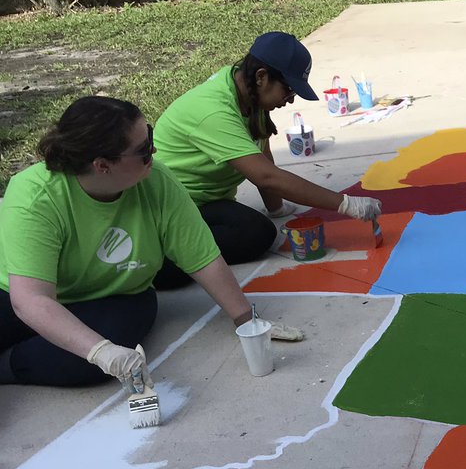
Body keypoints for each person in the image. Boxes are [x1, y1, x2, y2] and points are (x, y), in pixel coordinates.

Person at [0, 96, 287, 387]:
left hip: (117, 295)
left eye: (149, 137)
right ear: (102, 165)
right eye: (143, 150)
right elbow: (31, 299)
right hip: (20, 296)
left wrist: (246, 320)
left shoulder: (156, 180)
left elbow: (202, 257)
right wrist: (100, 351)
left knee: (88, 362)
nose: (154, 151)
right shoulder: (35, 196)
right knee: (89, 349)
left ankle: (9, 365)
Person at [151, 31, 382, 287]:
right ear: (262, 76)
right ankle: (159, 260)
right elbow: (266, 176)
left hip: (204, 202)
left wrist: (276, 209)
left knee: (255, 231)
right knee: (254, 236)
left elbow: (262, 151)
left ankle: (184, 250)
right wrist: (345, 204)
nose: (290, 100)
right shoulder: (213, 111)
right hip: (168, 207)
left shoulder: (247, 92)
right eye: (289, 89)